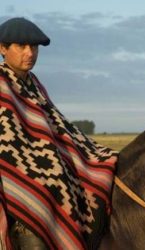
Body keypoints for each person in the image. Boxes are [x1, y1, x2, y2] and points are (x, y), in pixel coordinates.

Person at [0, 17, 118, 250]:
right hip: (8, 178)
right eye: (21, 46)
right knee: (44, 192)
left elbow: (58, 127)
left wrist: (96, 153)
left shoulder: (34, 84)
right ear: (2, 49)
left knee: (79, 180)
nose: (30, 53)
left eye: (33, 47)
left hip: (34, 170)